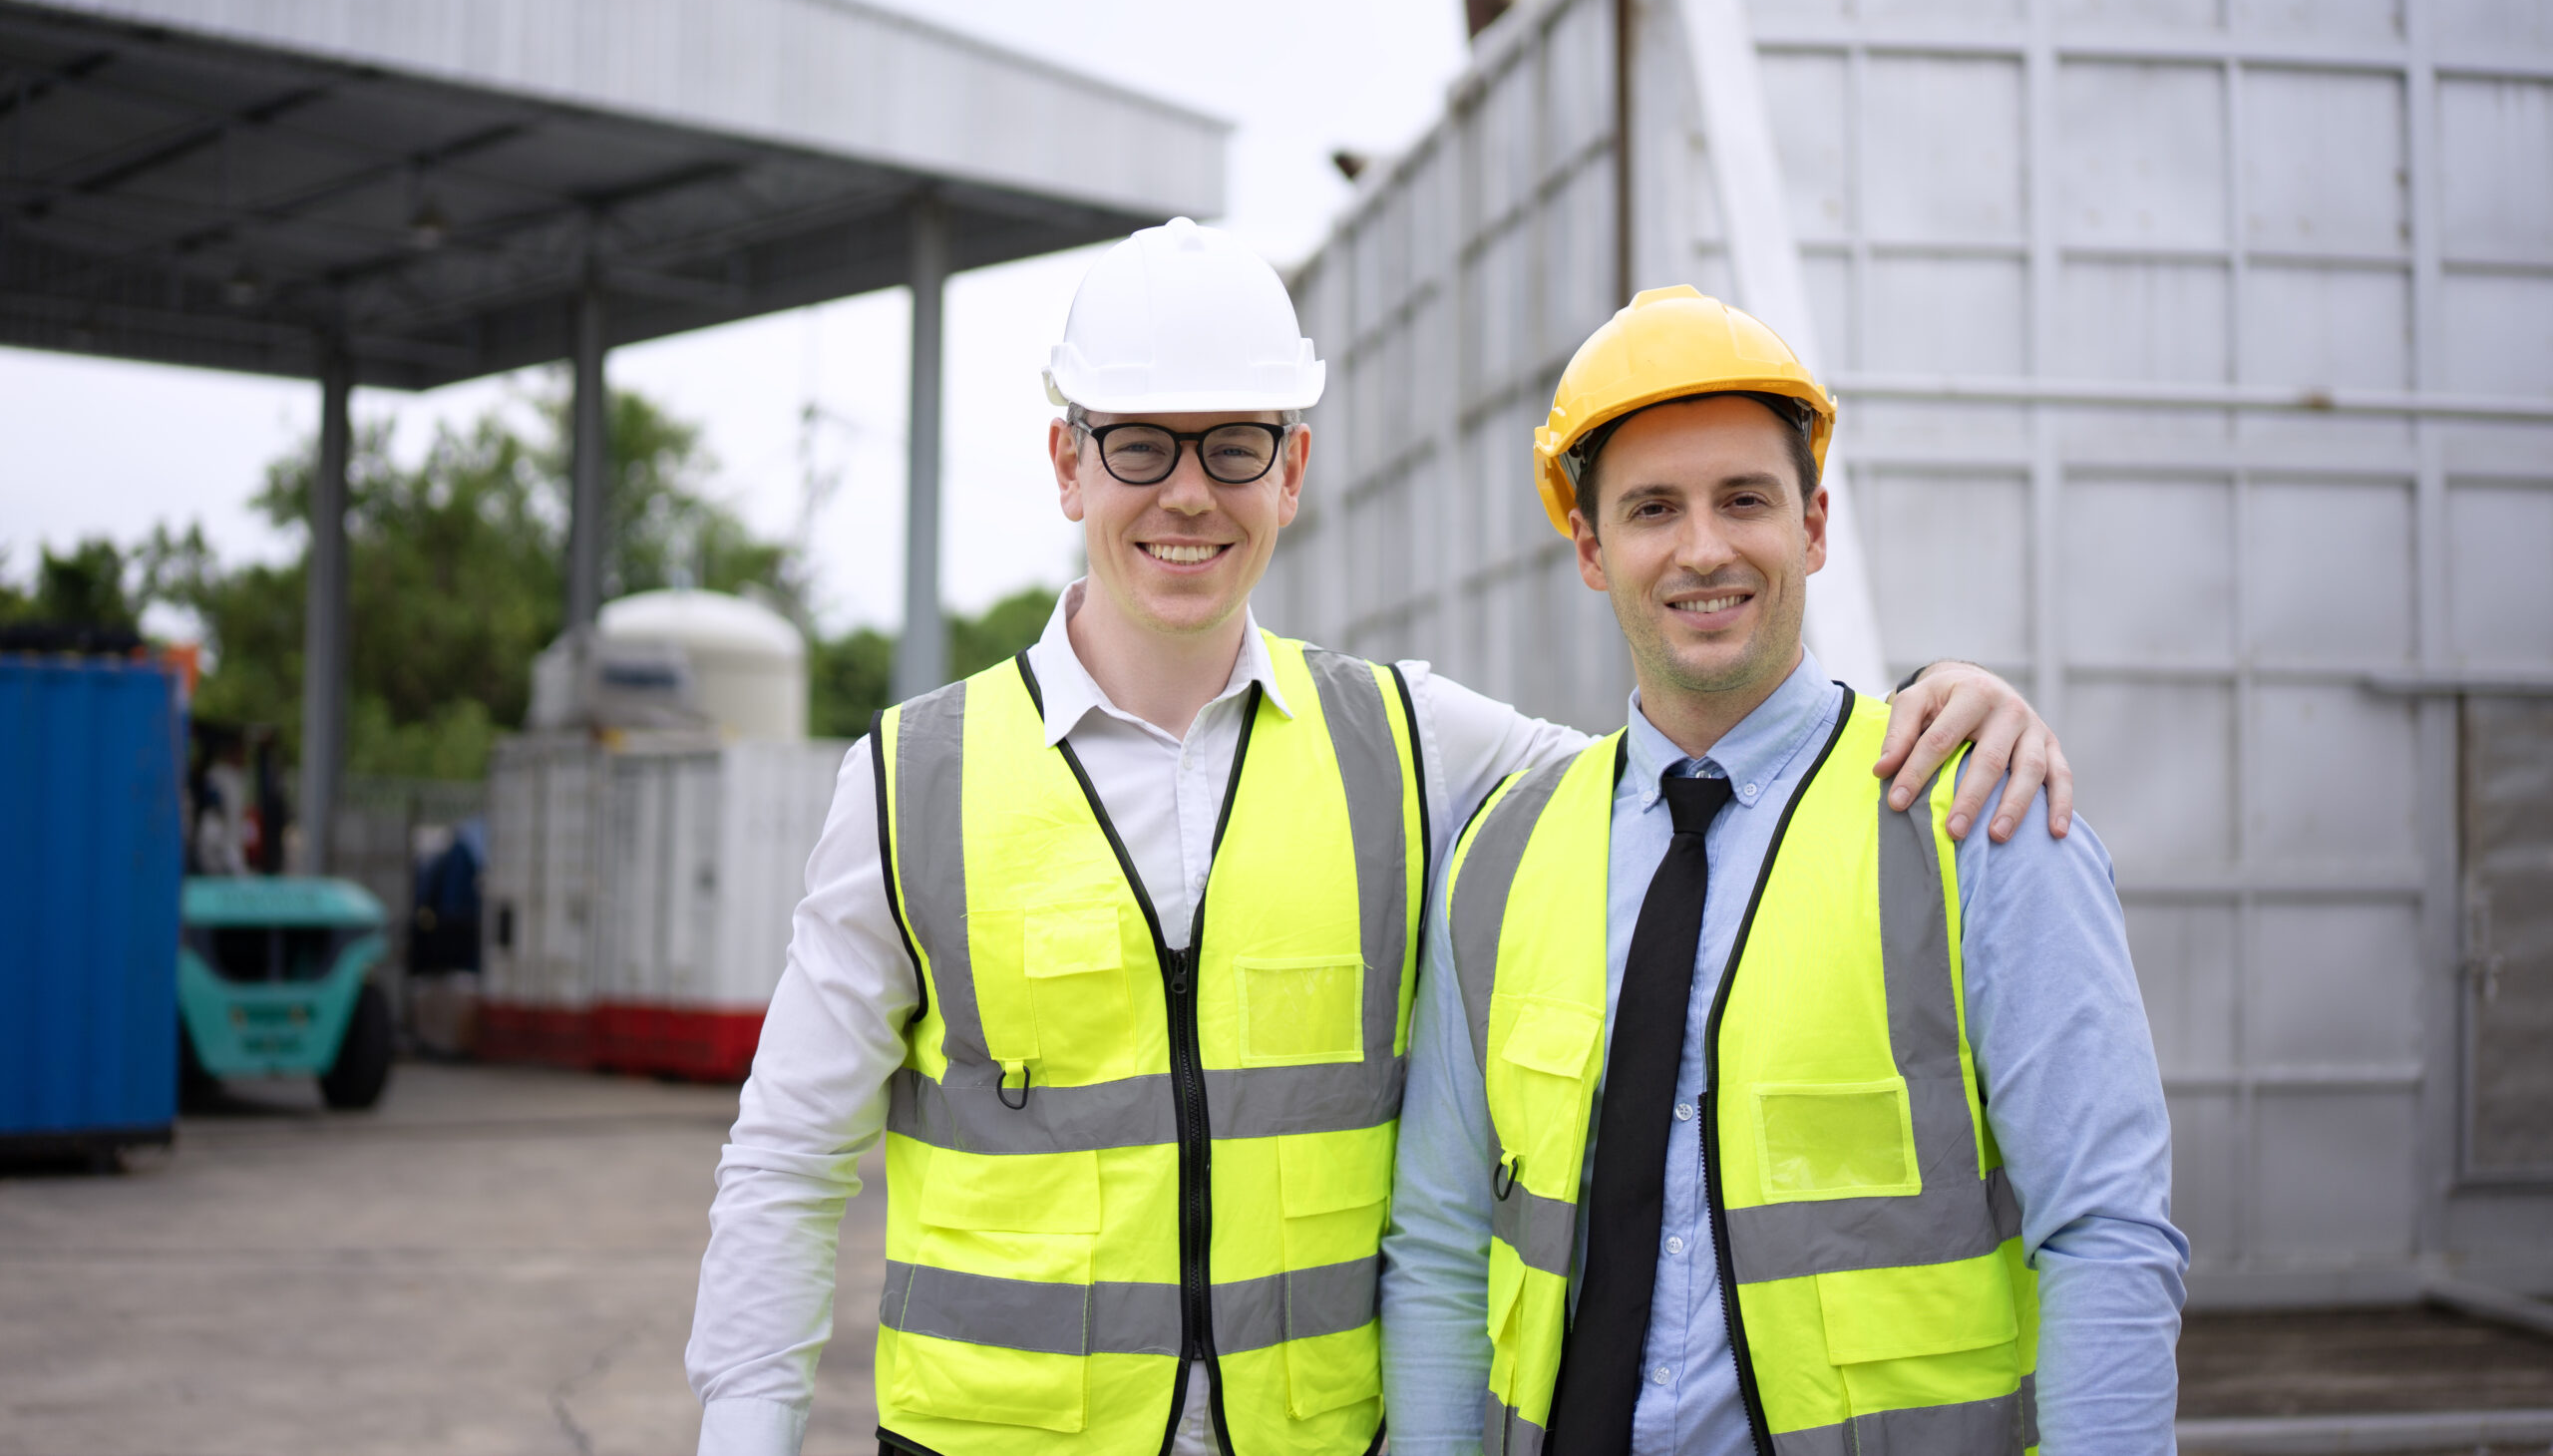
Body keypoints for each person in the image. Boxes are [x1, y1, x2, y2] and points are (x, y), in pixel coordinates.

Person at [685, 225, 2074, 1456]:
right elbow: (789, 1156)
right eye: (1138, 444)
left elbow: (1699, 757)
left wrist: (1943, 702)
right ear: (1067, 462)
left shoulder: (1413, 746)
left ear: (1292, 470)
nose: (1187, 493)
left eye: (1235, 445)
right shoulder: (913, 776)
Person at [1380, 285, 2184, 1456]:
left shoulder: (1977, 815)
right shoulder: (1499, 854)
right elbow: (1444, 1253)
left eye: (1743, 500)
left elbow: (2105, 1237)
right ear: (1592, 549)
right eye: (1653, 508)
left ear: (1811, 527)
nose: (1703, 547)